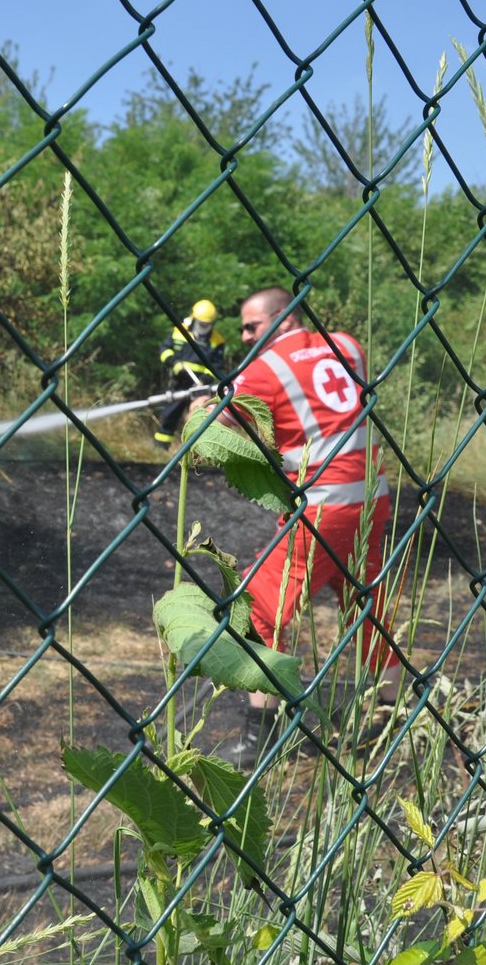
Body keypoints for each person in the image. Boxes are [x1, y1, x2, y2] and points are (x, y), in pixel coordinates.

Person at [196, 286, 401, 763]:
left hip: (321, 509)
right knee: (365, 604)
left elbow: (217, 424)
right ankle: (393, 713)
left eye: (252, 325)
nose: (245, 336)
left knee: (256, 608)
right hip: (369, 499)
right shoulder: (347, 345)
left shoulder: (264, 370)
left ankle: (262, 737)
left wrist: (200, 406)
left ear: (283, 318)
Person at [154, 299, 227, 447]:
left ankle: (196, 453)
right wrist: (173, 363)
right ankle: (160, 449)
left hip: (200, 386)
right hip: (179, 382)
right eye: (201, 323)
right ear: (194, 318)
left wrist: (204, 379)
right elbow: (165, 349)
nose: (204, 326)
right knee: (169, 416)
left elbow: (217, 365)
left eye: (207, 324)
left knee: (199, 418)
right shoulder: (179, 331)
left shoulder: (217, 341)